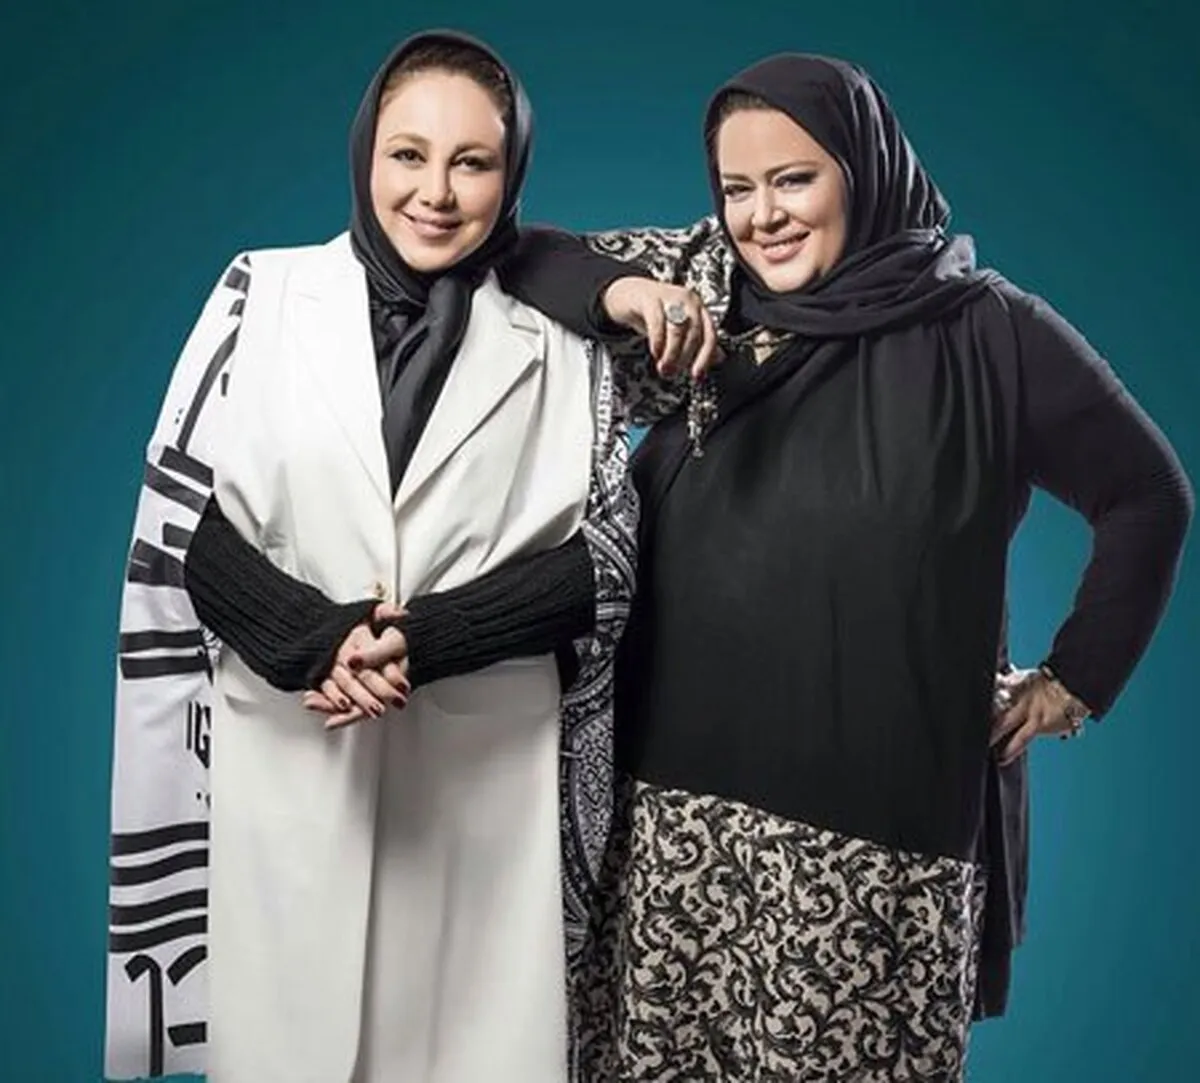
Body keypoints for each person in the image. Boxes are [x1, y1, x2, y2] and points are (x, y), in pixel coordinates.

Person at [475, 53, 1193, 1082]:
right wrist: (626, 289)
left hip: (866, 850)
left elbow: (1148, 494)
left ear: (864, 170)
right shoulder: (706, 286)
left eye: (793, 179)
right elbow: (520, 255)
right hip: (668, 818)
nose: (761, 216)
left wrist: (1074, 680)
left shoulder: (988, 333)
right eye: (737, 188)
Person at [103, 30, 711, 1083]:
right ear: (364, 154)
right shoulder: (260, 293)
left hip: (482, 783)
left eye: (472, 162)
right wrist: (314, 638)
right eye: (408, 155)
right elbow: (185, 522)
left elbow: (605, 567)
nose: (435, 192)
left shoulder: (563, 337)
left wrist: (426, 641)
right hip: (292, 761)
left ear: (511, 176)